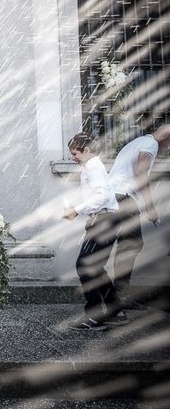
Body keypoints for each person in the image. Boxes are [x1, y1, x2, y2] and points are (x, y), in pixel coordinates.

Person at [64, 133, 127, 331]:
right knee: (95, 267)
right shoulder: (89, 168)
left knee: (85, 265)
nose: (72, 157)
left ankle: (95, 314)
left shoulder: (93, 167)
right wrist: (76, 206)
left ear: (87, 150)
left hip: (103, 221)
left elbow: (102, 196)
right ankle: (115, 311)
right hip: (102, 220)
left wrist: (76, 210)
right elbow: (93, 194)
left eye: (75, 153)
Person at [108, 125, 170, 307]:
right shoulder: (151, 144)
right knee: (131, 244)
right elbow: (140, 173)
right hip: (125, 198)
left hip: (113, 197)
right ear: (166, 136)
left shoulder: (138, 142)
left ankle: (118, 294)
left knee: (127, 244)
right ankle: (119, 296)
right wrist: (150, 208)